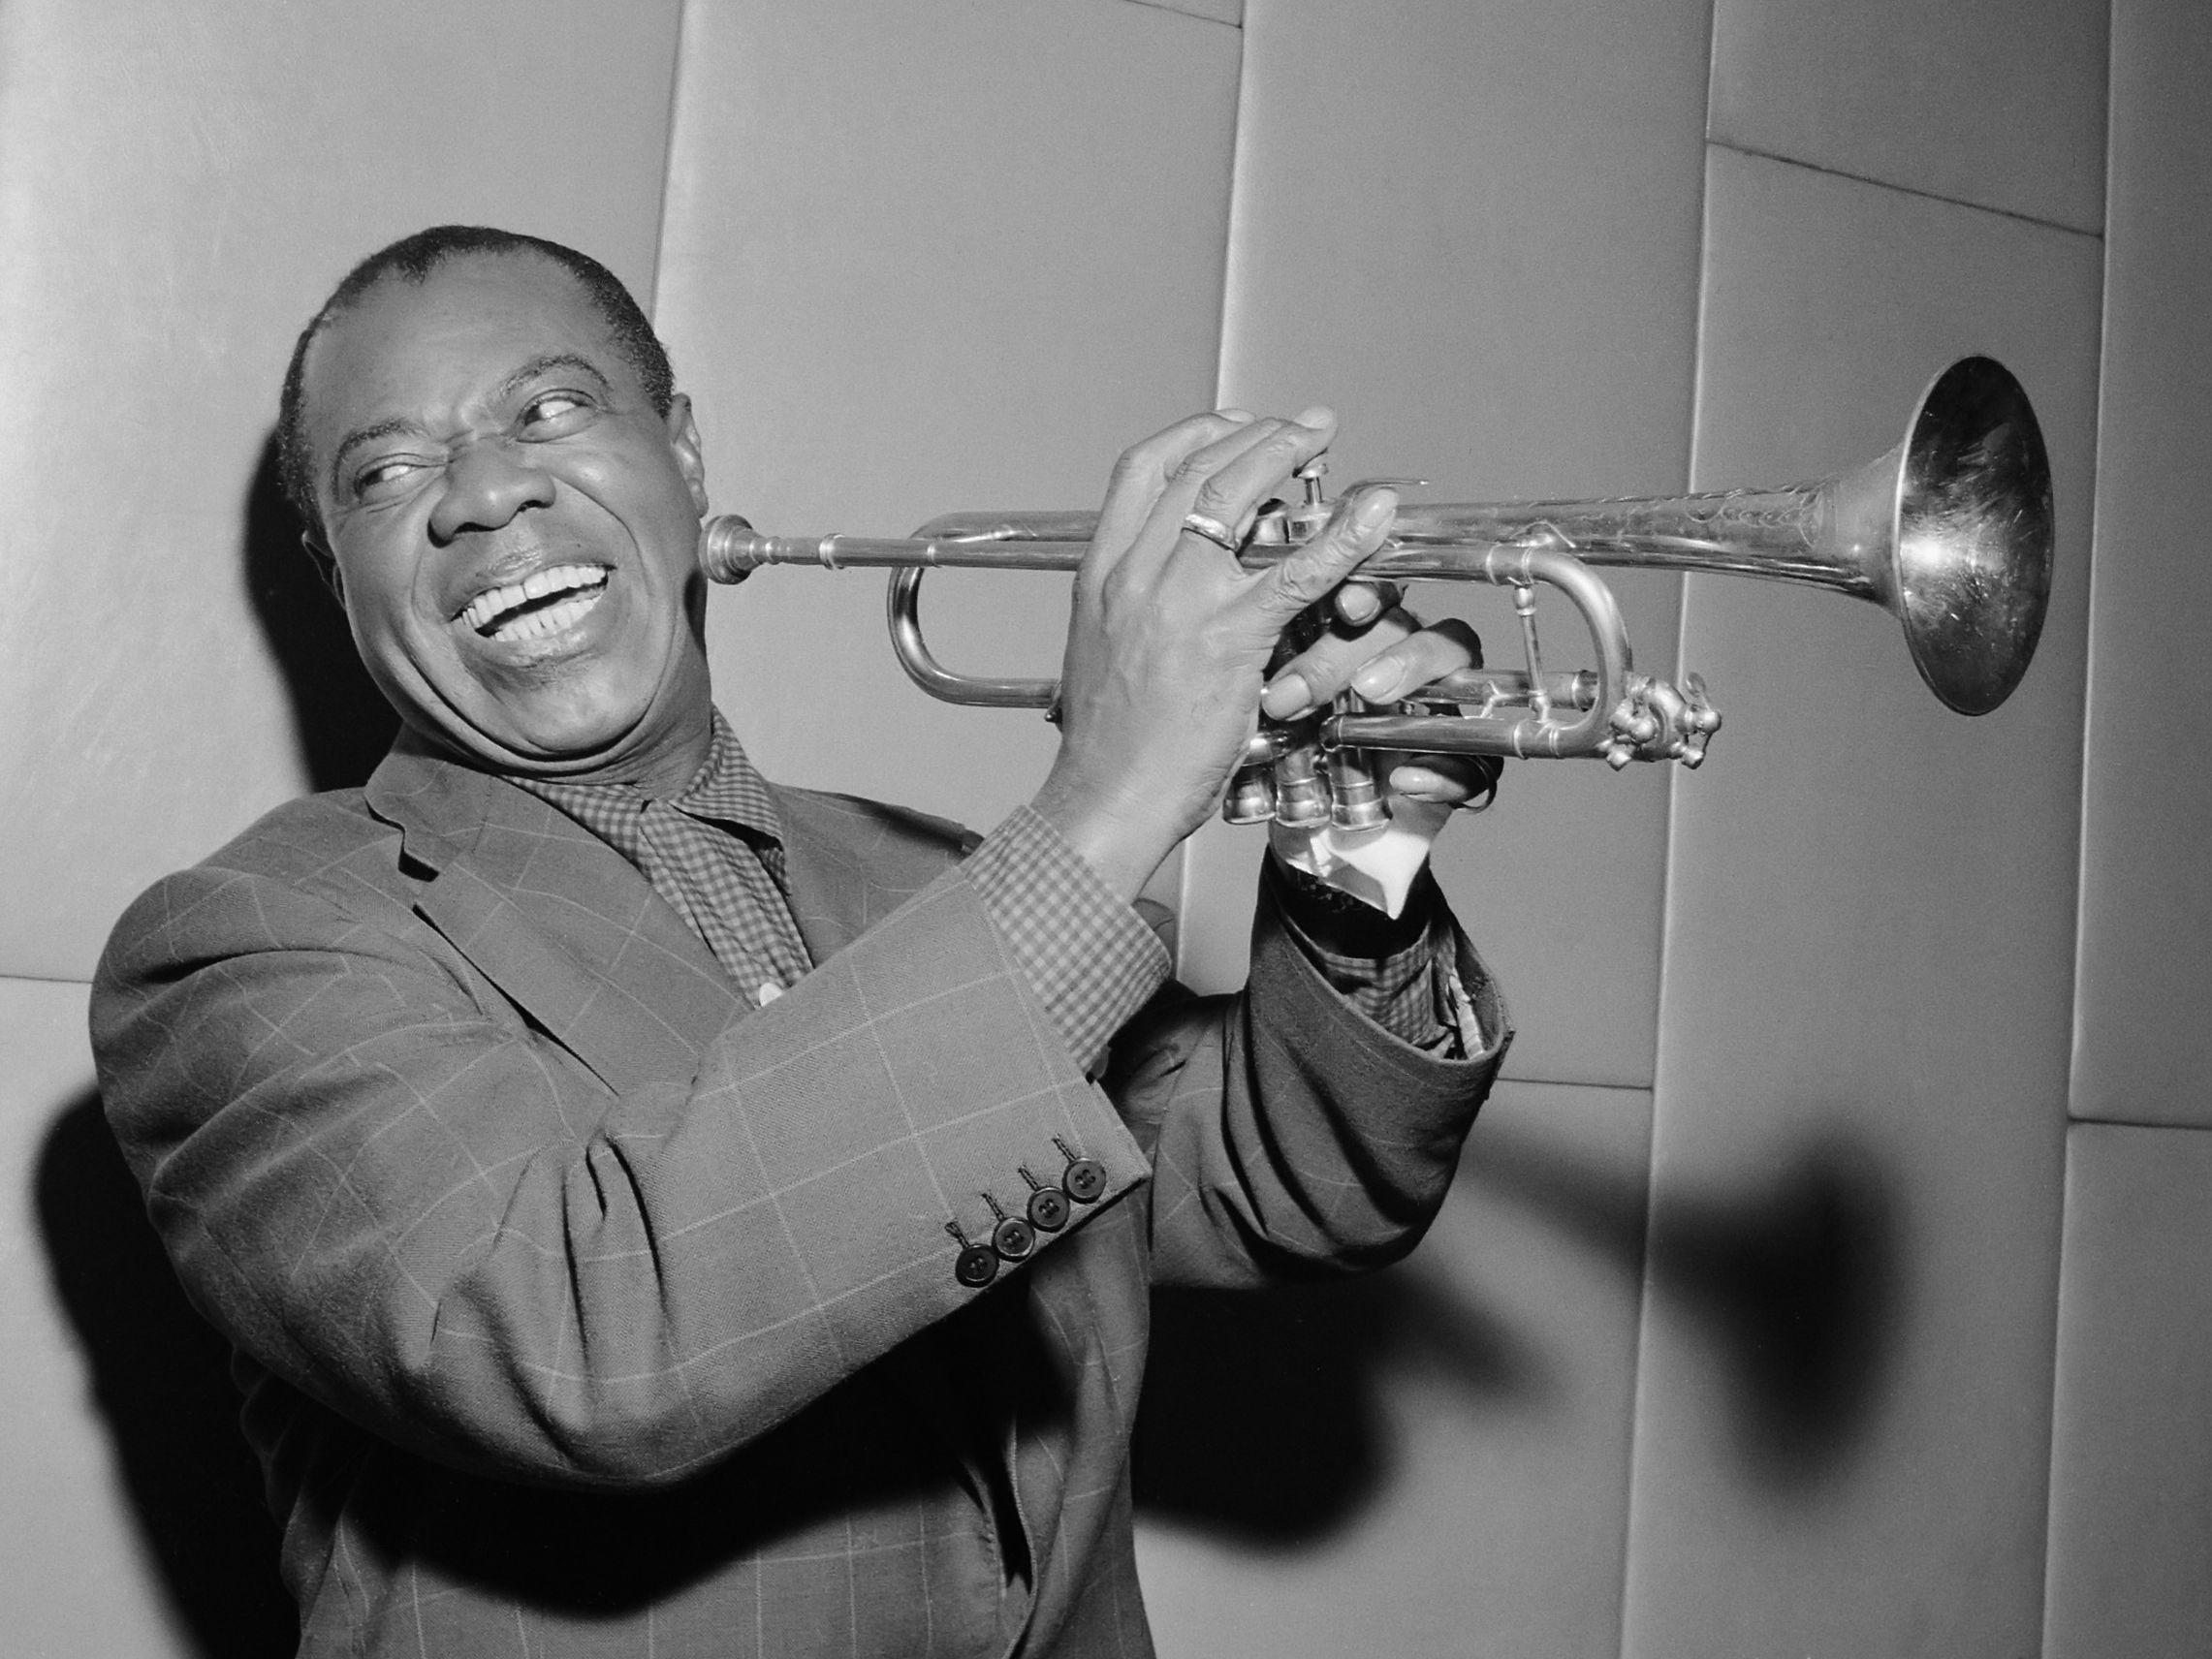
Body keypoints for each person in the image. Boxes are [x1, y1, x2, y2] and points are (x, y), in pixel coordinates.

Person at [91, 226, 1509, 1658]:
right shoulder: (249, 948)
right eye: (384, 474)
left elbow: (1293, 1189)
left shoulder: (935, 883)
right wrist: (1113, 796)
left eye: (552, 407)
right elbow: (571, 1339)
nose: (486, 490)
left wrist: (1351, 852)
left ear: (687, 458)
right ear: (337, 568)